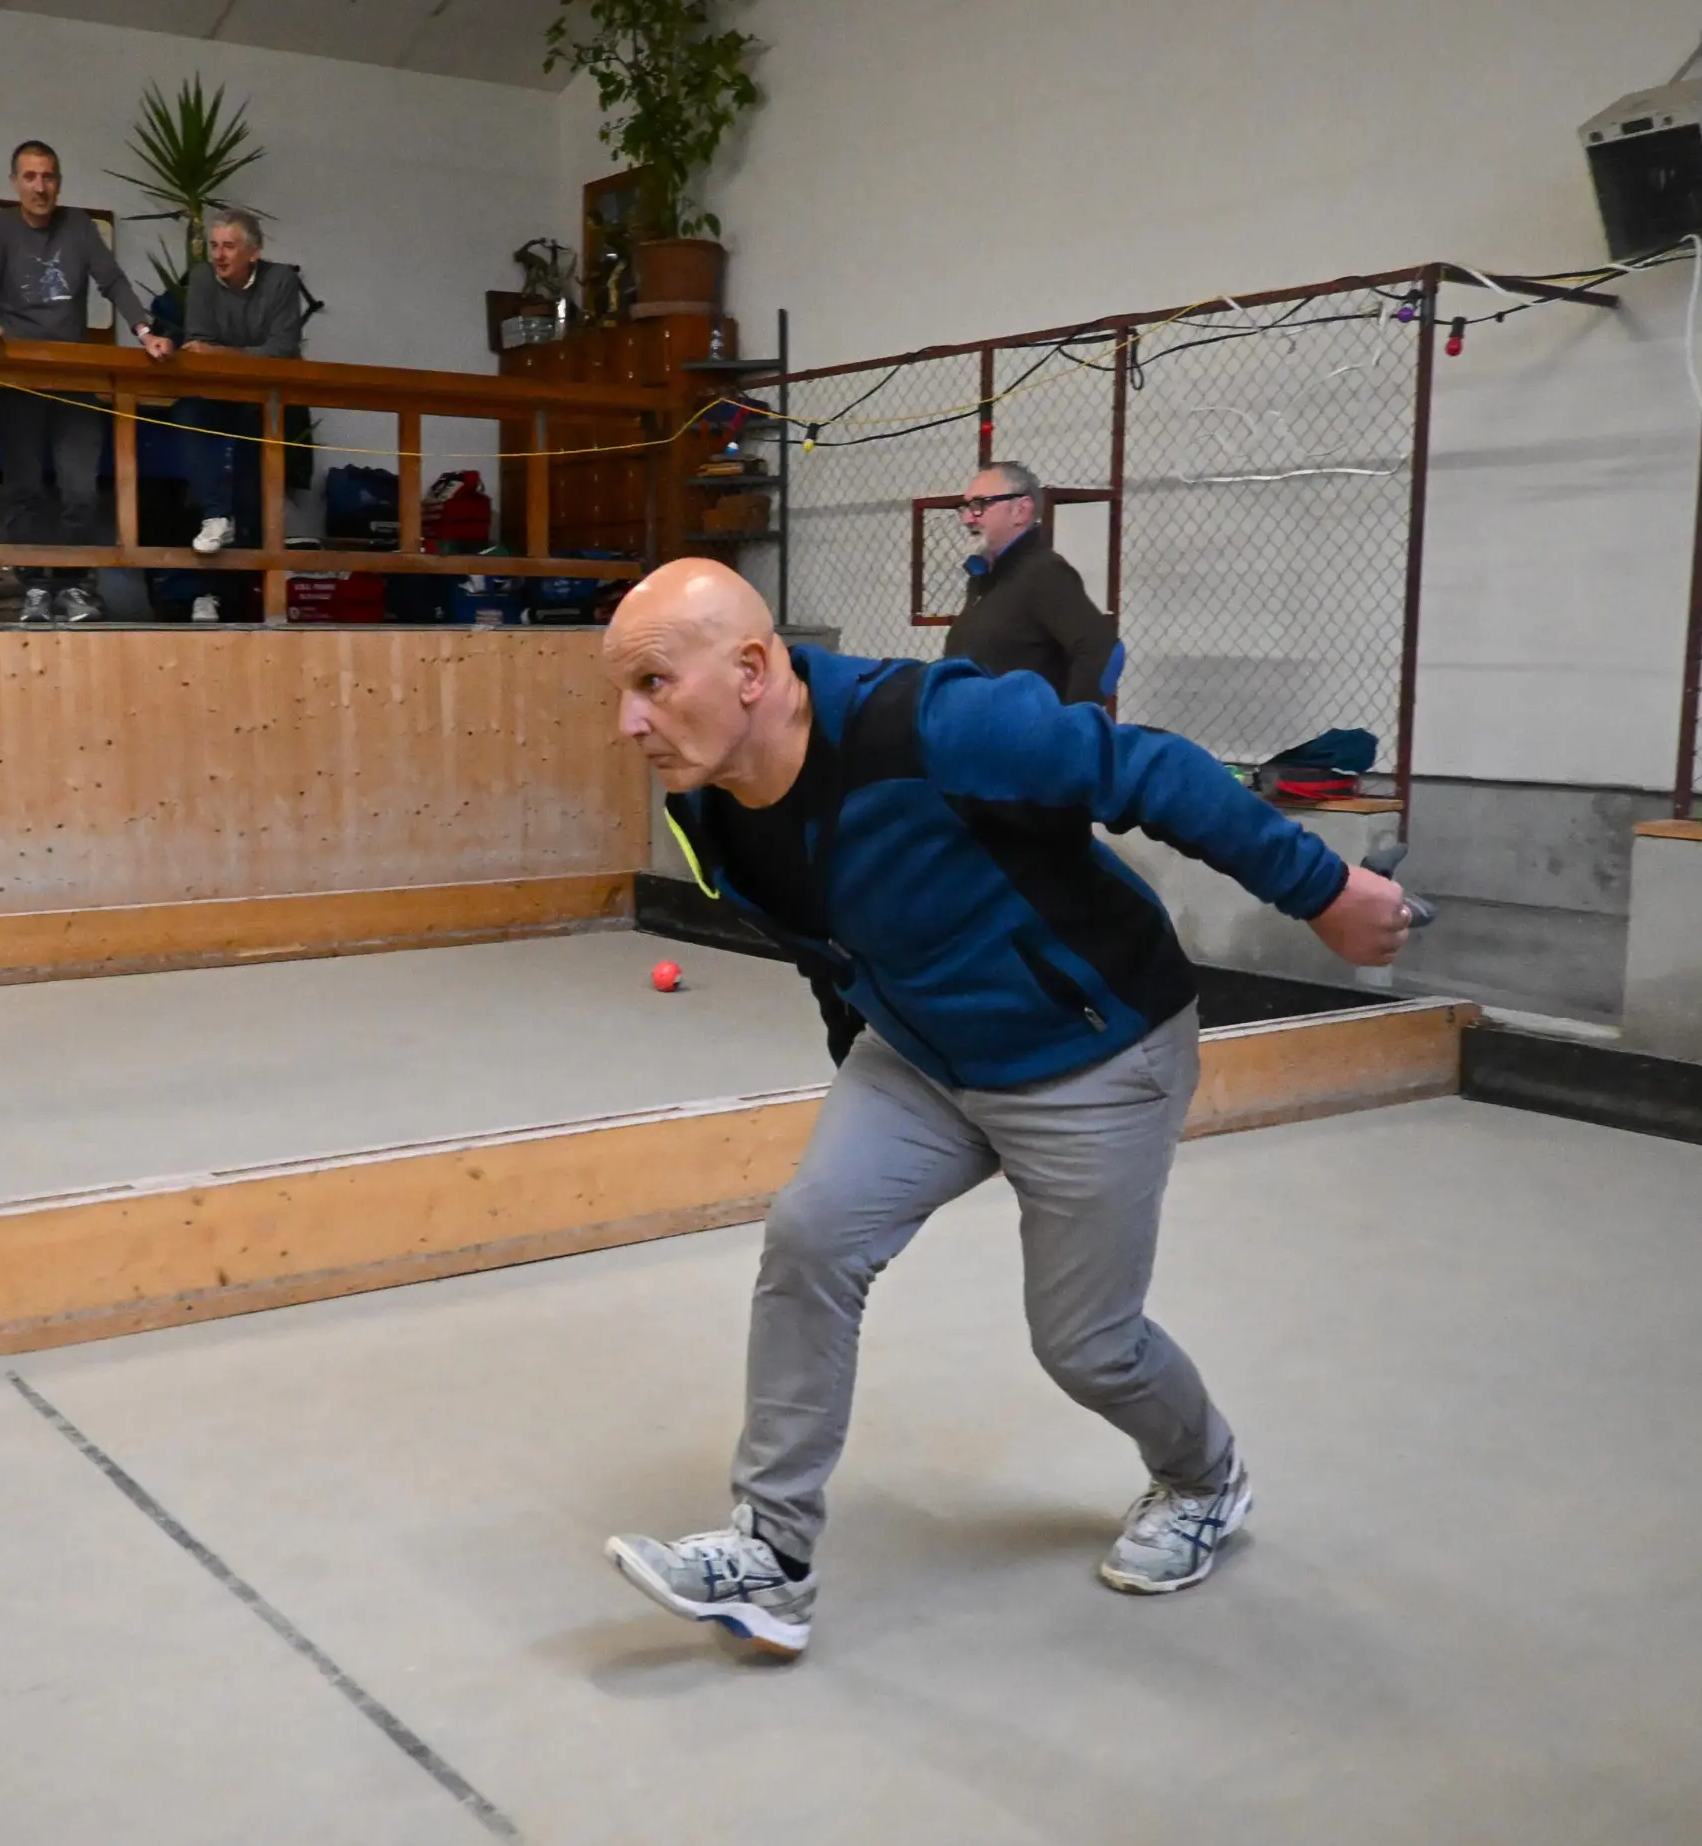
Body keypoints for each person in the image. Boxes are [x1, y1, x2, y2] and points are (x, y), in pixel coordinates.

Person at [597, 559, 1412, 1659]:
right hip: (922, 1056)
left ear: (750, 670)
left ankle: (1204, 1479)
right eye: (620, 692)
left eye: (651, 682)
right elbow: (824, 947)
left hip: (1092, 1047)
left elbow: (1152, 769)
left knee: (1087, 1344)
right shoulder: (714, 807)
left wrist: (1325, 890)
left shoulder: (929, 723)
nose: (627, 720)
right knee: (811, 1237)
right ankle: (771, 1557)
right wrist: (863, 1065)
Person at [0, 139, 164, 624]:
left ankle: (76, 588)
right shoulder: (0, 227)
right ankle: (34, 589)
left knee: (80, 487)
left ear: (59, 181)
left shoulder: (78, 227)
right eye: (30, 177)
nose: (40, 186)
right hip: (16, 380)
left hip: (73, 376)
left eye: (49, 176)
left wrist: (144, 332)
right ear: (15, 183)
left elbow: (112, 279)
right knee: (25, 488)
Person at [169, 208, 306, 622]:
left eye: (229, 246)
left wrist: (224, 355)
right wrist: (235, 357)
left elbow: (282, 352)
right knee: (185, 415)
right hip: (213, 395)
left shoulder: (281, 279)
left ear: (254, 252)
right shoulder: (201, 280)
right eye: (214, 245)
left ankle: (253, 601)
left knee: (253, 494)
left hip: (264, 402)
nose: (219, 255)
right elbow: (197, 347)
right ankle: (214, 518)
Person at [944, 460, 1122, 701]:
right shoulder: (985, 578)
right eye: (965, 507)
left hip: (1017, 735)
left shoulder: (1044, 573)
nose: (967, 518)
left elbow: (1102, 650)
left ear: (1021, 510)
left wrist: (1068, 726)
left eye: (980, 505)